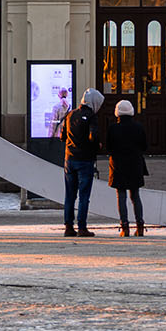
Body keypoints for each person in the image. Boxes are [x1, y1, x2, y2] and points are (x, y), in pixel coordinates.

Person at [60, 88, 106, 238]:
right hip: (85, 160)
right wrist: (96, 145)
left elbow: (62, 136)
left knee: (69, 195)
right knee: (84, 195)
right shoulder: (91, 116)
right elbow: (93, 137)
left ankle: (68, 227)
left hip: (69, 159)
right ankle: (82, 227)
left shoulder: (71, 114)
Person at [106, 98, 149, 237]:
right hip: (135, 164)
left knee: (121, 195)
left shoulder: (113, 128)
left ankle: (124, 227)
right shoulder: (139, 127)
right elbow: (144, 146)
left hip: (118, 165)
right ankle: (140, 226)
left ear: (117, 113)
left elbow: (108, 148)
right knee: (135, 195)